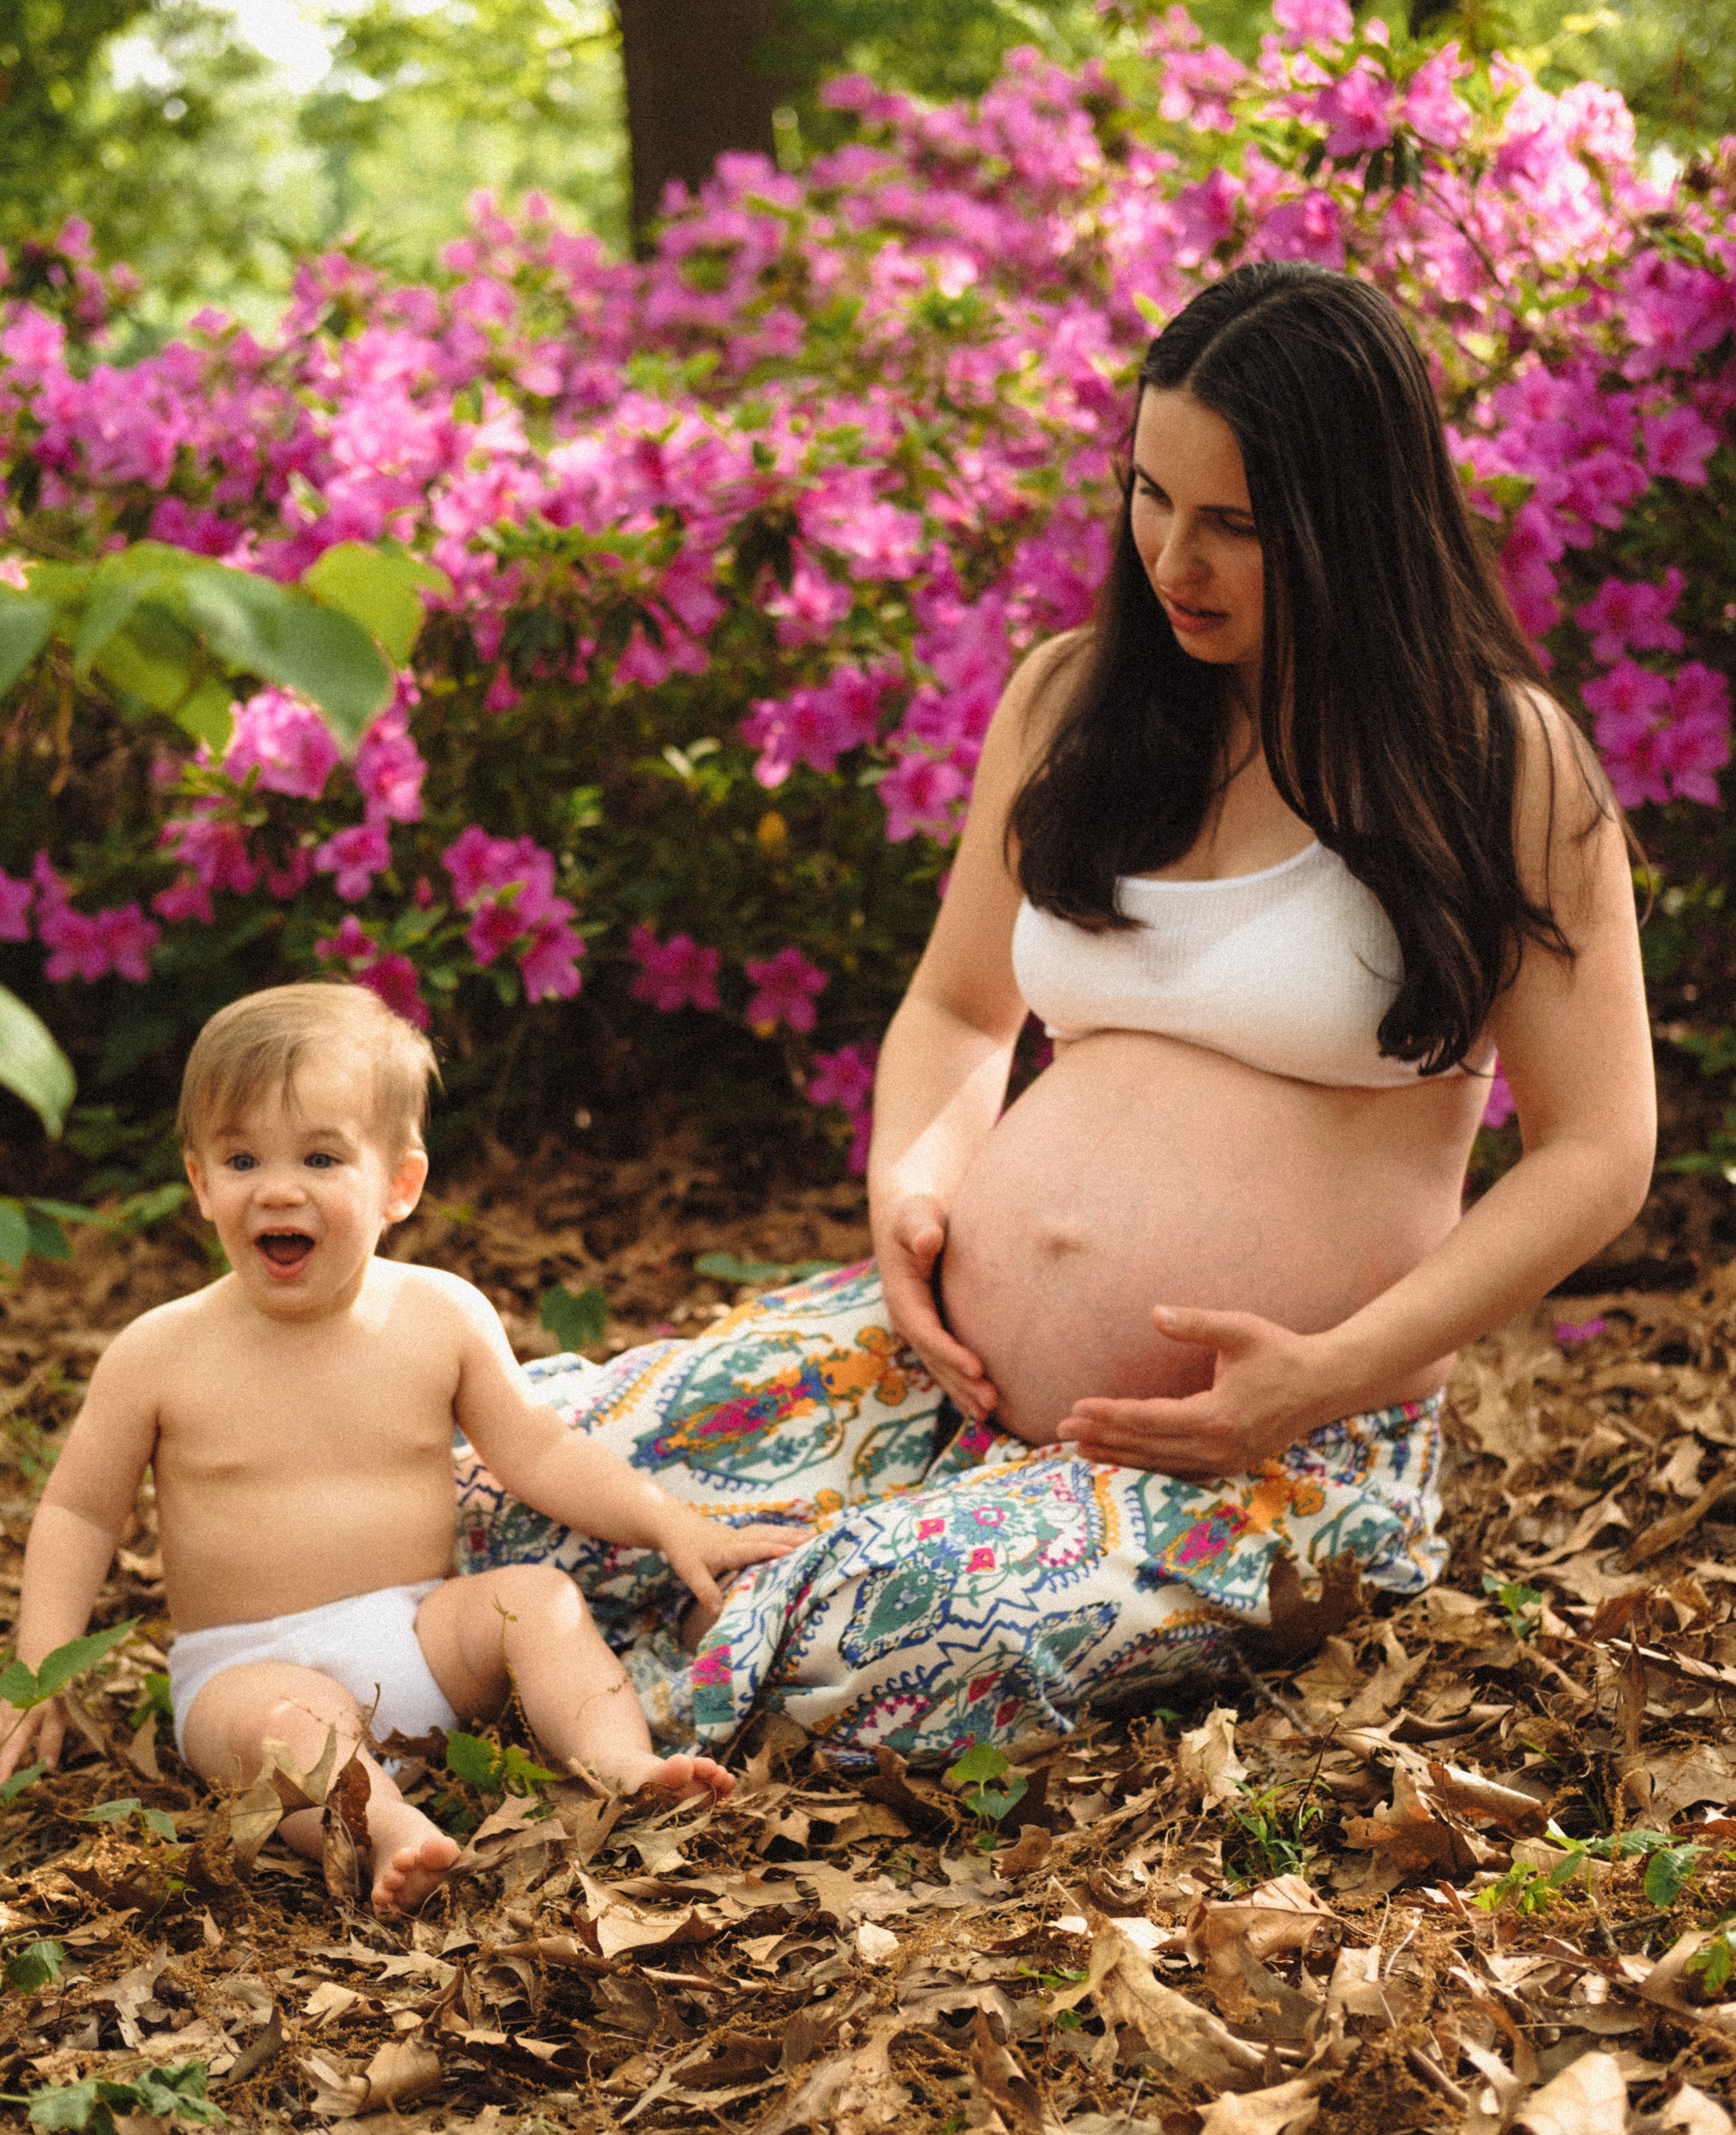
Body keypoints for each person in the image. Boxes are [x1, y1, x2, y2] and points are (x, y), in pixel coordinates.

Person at [452, 261, 1655, 1767]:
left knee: (849, 1651)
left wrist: (1327, 1373)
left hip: (1275, 1443)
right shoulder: (1071, 703)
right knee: (504, 1486)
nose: (1173, 558)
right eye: (1150, 498)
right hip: (933, 1363)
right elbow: (958, 1014)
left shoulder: (1496, 763)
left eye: (1233, 524)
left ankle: (611, 1668)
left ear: (1352, 520)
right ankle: (576, 1648)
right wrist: (911, 1194)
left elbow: (1596, 1150)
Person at [0, 985, 806, 1913]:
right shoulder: (159, 1353)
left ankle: (622, 1760)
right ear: (200, 1183)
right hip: (242, 1664)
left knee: (537, 1603)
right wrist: (42, 1668)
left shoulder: (440, 1316)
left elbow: (537, 1451)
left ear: (400, 1186)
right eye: (241, 1157)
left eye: (320, 1156)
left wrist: (670, 1523)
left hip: (422, 1636)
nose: (277, 1186)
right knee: (286, 1728)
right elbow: (79, 1508)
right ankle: (386, 1826)